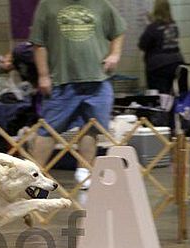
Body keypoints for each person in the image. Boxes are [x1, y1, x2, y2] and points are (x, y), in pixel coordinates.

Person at [29, 0, 126, 189]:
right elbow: (38, 43)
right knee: (49, 129)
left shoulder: (102, 4)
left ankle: (85, 172)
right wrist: (43, 75)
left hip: (98, 79)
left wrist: (115, 54)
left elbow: (118, 30)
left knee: (92, 127)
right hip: (62, 81)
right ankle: (33, 176)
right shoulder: (47, 5)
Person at [138, 0, 184, 94]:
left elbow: (142, 45)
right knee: (171, 93)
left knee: (158, 95)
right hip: (176, 62)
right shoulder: (173, 25)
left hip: (158, 66)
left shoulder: (153, 27)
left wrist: (150, 24)